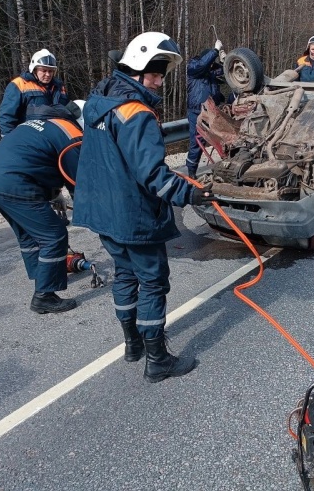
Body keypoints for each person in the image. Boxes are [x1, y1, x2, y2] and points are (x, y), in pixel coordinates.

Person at [72, 32, 215, 383]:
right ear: (139, 69)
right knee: (152, 281)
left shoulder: (98, 101)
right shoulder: (136, 113)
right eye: (158, 71)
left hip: (100, 211)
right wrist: (190, 194)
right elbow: (152, 174)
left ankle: (132, 344)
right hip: (131, 213)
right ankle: (158, 359)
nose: (161, 80)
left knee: (125, 274)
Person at [0, 100, 85, 314]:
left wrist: (55, 195)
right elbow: (78, 180)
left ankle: (42, 276)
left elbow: (38, 160)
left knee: (28, 234)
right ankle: (44, 296)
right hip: (16, 183)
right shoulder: (72, 131)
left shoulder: (40, 121)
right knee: (53, 235)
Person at [0, 49, 69, 137]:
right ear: (34, 69)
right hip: (28, 138)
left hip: (55, 138)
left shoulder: (59, 87)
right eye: (44, 70)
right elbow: (7, 116)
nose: (48, 74)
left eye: (50, 71)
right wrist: (8, 139)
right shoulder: (19, 85)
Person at [185, 42, 226, 178]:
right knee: (197, 141)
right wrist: (215, 50)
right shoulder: (193, 68)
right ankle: (191, 171)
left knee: (225, 137)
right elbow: (202, 64)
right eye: (210, 61)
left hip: (213, 111)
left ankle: (228, 166)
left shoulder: (211, 71)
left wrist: (224, 60)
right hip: (196, 112)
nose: (212, 65)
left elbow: (226, 71)